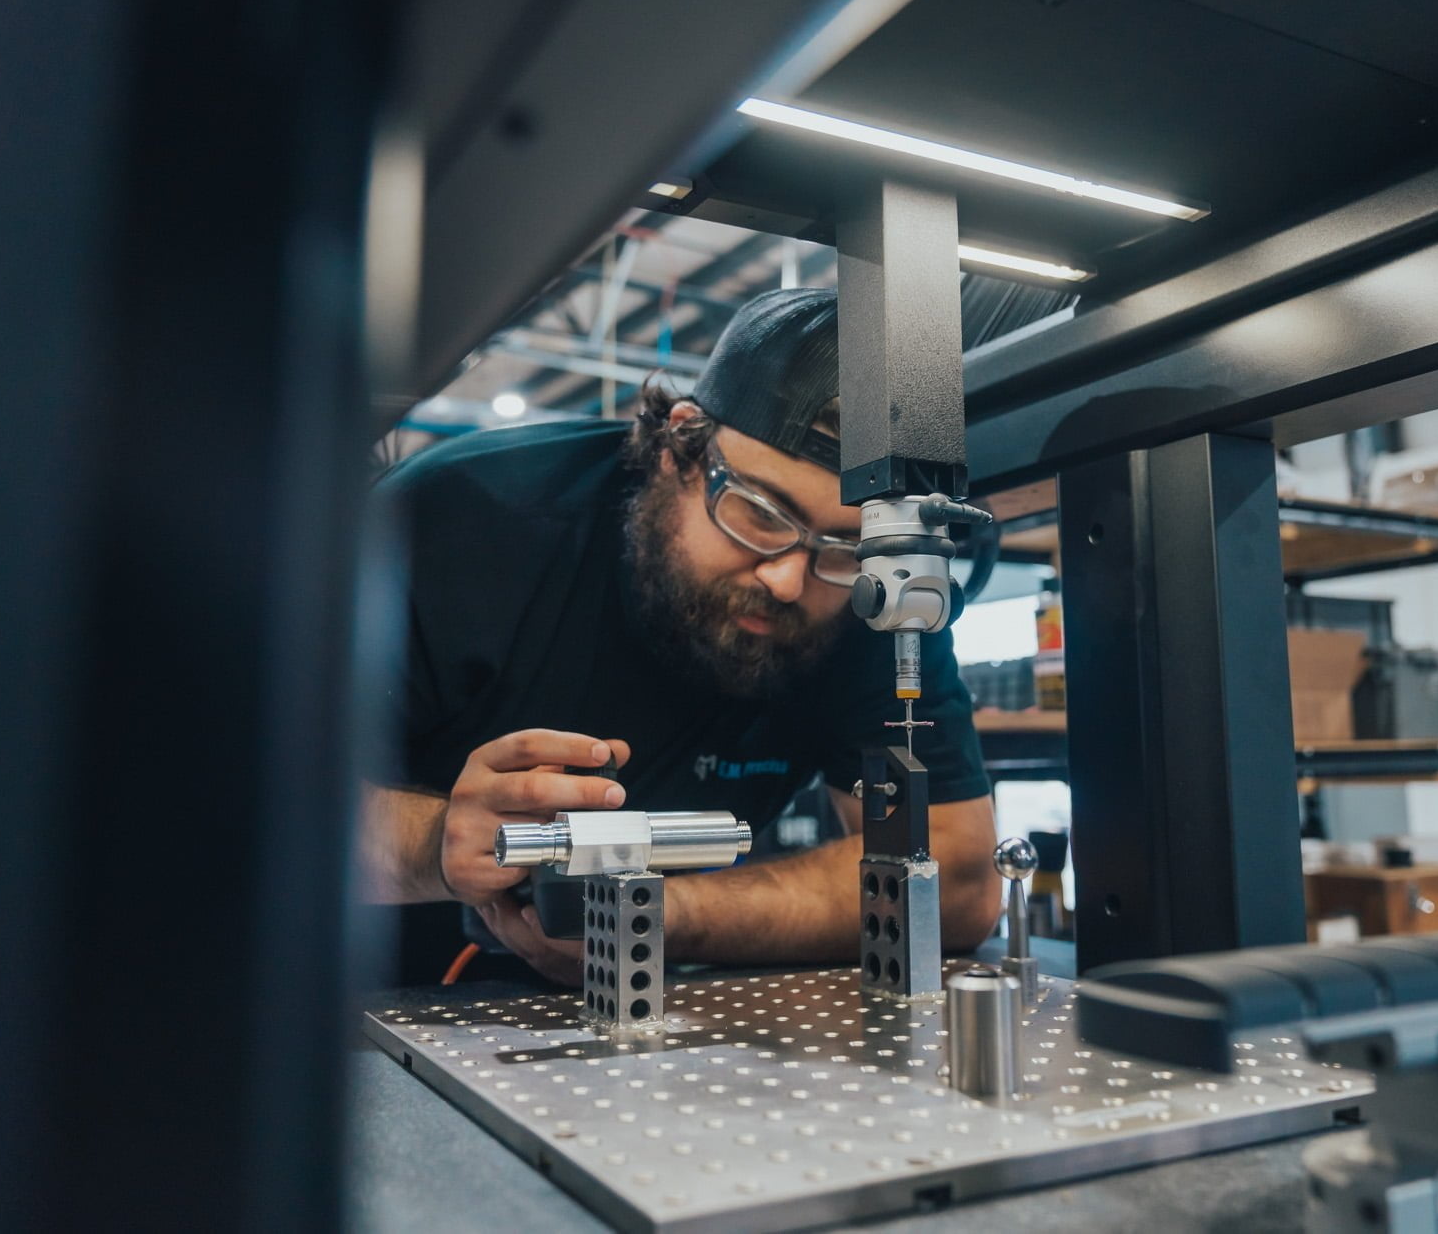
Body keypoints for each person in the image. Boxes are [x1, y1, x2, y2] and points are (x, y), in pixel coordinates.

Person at [359, 287, 999, 984]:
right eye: (760, 511)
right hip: (374, 1008)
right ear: (679, 445)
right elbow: (246, 802)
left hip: (666, 1004)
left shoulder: (870, 591)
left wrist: (654, 913)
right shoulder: (461, 521)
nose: (789, 578)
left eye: (842, 545)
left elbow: (958, 880)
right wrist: (436, 842)